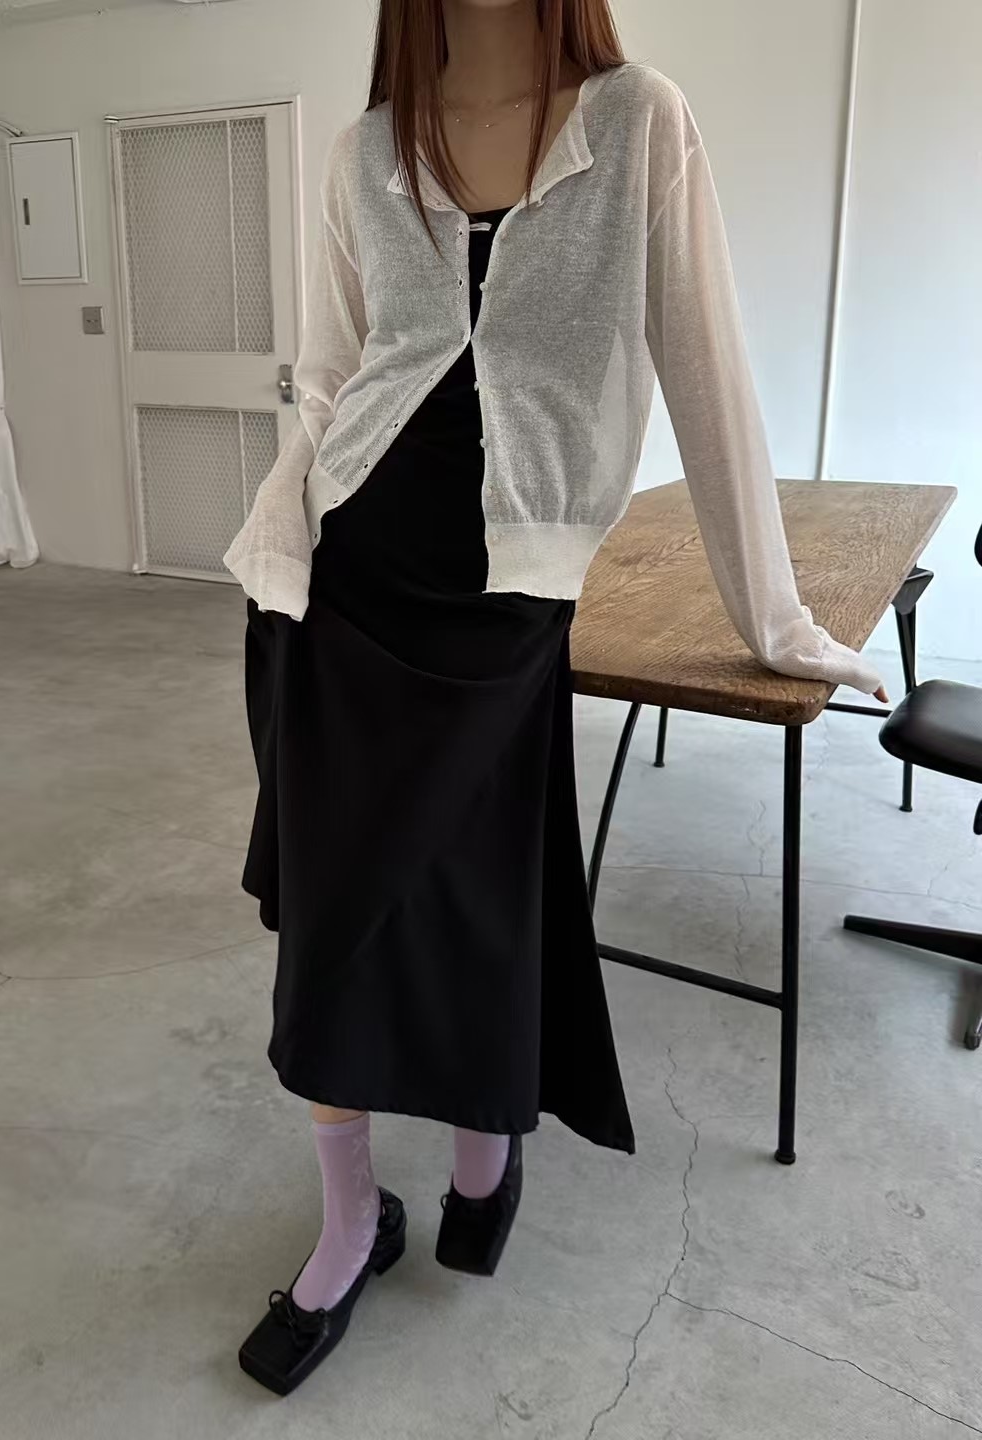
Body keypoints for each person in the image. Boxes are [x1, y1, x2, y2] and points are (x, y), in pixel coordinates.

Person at [224, 0, 888, 1396]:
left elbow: (708, 374)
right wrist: (283, 531)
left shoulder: (637, 122)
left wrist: (775, 618)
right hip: (341, 589)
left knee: (485, 892)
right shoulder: (364, 152)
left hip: (505, 598)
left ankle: (487, 1146)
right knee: (334, 921)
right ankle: (350, 1219)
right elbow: (331, 377)